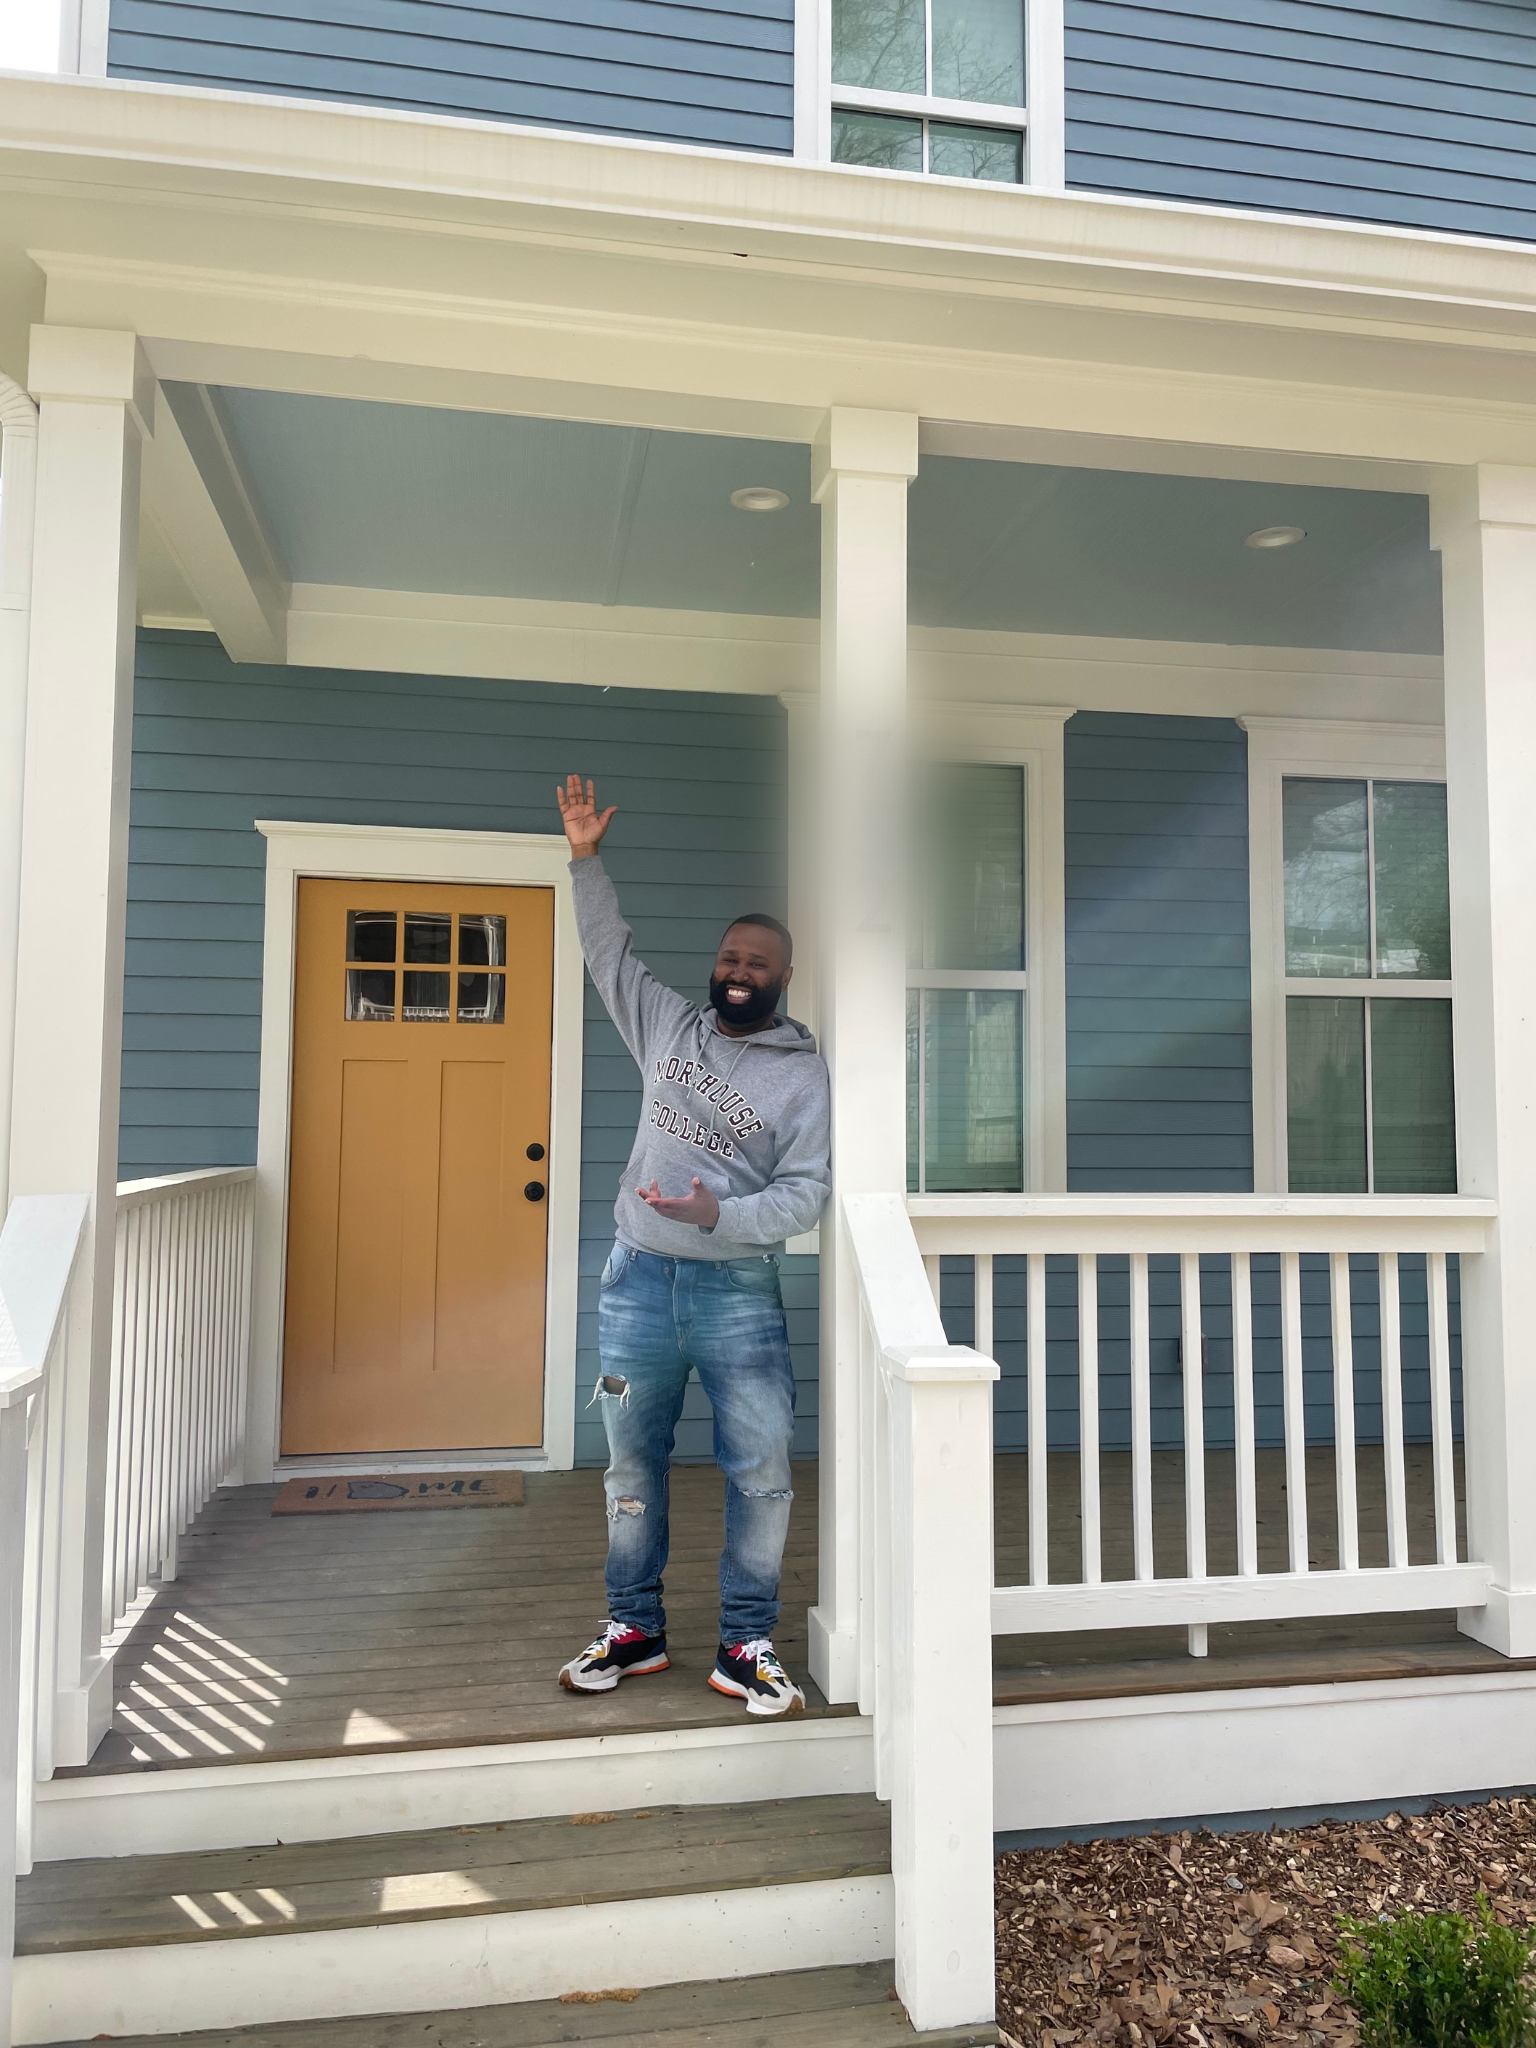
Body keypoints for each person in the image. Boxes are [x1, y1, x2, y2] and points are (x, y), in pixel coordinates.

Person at [554, 774, 830, 1717]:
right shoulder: (668, 1027)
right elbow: (608, 953)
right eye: (730, 956)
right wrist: (584, 856)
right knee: (630, 1464)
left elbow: (807, 1193)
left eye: (759, 961)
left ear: (783, 977)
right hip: (634, 1284)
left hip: (738, 1293)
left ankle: (746, 1643)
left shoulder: (804, 1078)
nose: (740, 969)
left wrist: (720, 1216)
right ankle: (633, 1628)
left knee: (762, 1470)